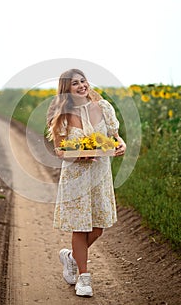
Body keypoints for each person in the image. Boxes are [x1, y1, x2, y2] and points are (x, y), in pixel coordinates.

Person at [47, 69, 126, 297]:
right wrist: (78, 155)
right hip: (75, 177)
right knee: (80, 226)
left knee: (98, 227)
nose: (82, 85)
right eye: (75, 83)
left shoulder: (103, 108)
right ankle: (83, 277)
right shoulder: (62, 115)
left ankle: (71, 257)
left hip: (100, 174)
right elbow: (60, 151)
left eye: (83, 81)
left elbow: (114, 136)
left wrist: (122, 145)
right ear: (67, 89)